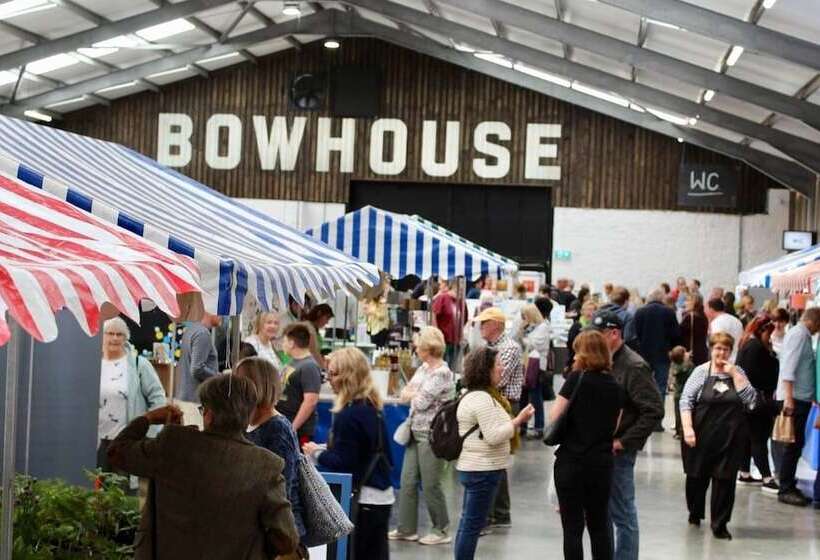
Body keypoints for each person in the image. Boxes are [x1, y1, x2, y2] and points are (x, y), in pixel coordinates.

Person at [108, 375, 299, 559]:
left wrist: (148, 418)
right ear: (248, 416)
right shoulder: (266, 466)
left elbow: (117, 452)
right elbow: (286, 537)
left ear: (208, 414)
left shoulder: (173, 445)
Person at [303, 348, 394, 560]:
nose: (329, 380)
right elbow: (363, 449)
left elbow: (344, 462)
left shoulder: (350, 415)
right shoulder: (370, 407)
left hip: (365, 501)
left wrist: (315, 453)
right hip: (380, 495)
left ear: (347, 376)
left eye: (333, 374)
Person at [591, 309, 662, 560]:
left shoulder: (634, 366)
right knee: (604, 512)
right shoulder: (603, 361)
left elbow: (653, 410)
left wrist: (624, 442)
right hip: (599, 450)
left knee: (623, 514)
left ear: (614, 334)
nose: (595, 340)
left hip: (618, 452)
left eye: (600, 334)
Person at [454, 347, 534, 560]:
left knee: (467, 523)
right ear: (486, 369)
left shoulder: (473, 396)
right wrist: (518, 421)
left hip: (475, 466)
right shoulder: (483, 399)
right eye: (498, 364)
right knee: (472, 525)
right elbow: (494, 436)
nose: (502, 367)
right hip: (483, 468)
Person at [552, 330, 623, 560]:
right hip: (601, 464)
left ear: (583, 354)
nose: (573, 358)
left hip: (571, 462)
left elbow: (555, 416)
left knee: (572, 528)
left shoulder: (575, 380)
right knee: (599, 526)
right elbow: (615, 426)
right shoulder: (616, 386)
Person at [680, 332, 757, 540]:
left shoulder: (738, 372)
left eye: (725, 349)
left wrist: (734, 374)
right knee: (696, 479)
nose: (721, 352)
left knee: (725, 482)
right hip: (701, 434)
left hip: (731, 436)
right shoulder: (700, 372)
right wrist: (688, 429)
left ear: (731, 352)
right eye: (717, 348)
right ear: (711, 349)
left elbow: (751, 402)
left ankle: (720, 524)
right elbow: (686, 401)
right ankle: (695, 513)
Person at [390, 327, 454, 545]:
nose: (416, 348)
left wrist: (411, 394)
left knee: (430, 484)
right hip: (414, 431)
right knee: (407, 481)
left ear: (428, 348)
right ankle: (406, 528)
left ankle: (441, 529)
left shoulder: (442, 373)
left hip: (432, 435)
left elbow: (419, 401)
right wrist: (412, 394)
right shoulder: (425, 369)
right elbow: (404, 393)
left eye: (419, 345)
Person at [236, 357, 306, 552]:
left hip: (279, 533)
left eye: (238, 381)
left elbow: (282, 486)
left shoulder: (277, 428)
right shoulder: (248, 423)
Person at [97, 317, 166, 473]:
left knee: (123, 492)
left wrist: (148, 432)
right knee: (95, 491)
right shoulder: (94, 363)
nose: (114, 338)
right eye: (110, 333)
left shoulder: (138, 364)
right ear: (103, 336)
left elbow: (158, 397)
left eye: (119, 334)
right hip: (98, 443)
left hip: (125, 443)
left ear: (125, 338)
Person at [476, 307, 523, 529]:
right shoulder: (490, 347)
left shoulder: (509, 348)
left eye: (484, 322)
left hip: (504, 404)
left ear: (496, 324)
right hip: (493, 402)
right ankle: (499, 511)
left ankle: (500, 511)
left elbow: (496, 379)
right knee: (494, 456)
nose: (480, 326)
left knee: (496, 455)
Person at [775, 307, 820, 506]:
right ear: (814, 321)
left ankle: (788, 483)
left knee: (795, 444)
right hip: (795, 400)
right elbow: (788, 368)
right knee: (792, 445)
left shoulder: (800, 334)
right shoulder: (799, 336)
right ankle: (785, 488)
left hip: (800, 398)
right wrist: (789, 399)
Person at [735, 315, 779, 493]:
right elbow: (760, 375)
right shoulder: (756, 348)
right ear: (763, 331)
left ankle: (744, 473)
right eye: (770, 333)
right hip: (757, 401)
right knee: (759, 439)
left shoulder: (747, 344)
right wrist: (774, 359)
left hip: (746, 401)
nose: (772, 337)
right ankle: (767, 478)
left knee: (748, 437)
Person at [633, 289, 681, 423]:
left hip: (643, 355)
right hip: (662, 355)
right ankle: (657, 421)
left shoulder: (640, 312)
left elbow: (635, 334)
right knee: (660, 387)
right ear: (662, 299)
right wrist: (671, 349)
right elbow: (676, 334)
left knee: (643, 386)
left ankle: (643, 417)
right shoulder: (668, 312)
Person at [276, 323, 322, 444]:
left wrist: (293, 428)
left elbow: (310, 401)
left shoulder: (309, 366)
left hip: (299, 431)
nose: (282, 345)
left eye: (284, 341)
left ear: (291, 343)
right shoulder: (294, 362)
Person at [177, 312, 221, 425]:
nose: (223, 317)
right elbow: (196, 368)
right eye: (221, 312)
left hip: (187, 397)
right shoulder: (202, 333)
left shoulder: (191, 330)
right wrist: (219, 377)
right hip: (196, 402)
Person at [519, 299, 553, 438]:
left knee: (535, 396)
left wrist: (523, 336)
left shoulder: (543, 327)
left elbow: (534, 344)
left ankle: (538, 426)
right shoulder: (536, 326)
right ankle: (524, 425)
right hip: (529, 364)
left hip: (536, 366)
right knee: (526, 396)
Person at [433, 278, 467, 370]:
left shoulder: (462, 302)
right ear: (454, 286)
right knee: (442, 367)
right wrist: (437, 334)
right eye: (459, 286)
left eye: (463, 286)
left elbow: (464, 319)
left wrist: (461, 334)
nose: (462, 289)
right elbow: (434, 315)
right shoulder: (443, 298)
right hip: (444, 340)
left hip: (456, 341)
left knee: (453, 369)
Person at [705, 298, 743, 362]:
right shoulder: (736, 320)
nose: (704, 311)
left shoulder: (717, 322)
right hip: (737, 358)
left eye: (705, 309)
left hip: (723, 360)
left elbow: (716, 342)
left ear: (711, 310)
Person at [669, 346, 694, 439]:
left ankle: (677, 431)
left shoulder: (674, 365)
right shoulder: (688, 366)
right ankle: (682, 431)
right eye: (685, 352)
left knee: (677, 413)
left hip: (677, 394)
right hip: (685, 394)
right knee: (684, 412)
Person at [565, 300, 597, 372]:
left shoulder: (597, 327)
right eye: (588, 310)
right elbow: (570, 344)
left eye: (593, 310)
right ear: (582, 312)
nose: (590, 312)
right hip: (577, 359)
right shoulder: (576, 326)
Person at [679, 294, 709, 366]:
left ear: (694, 302)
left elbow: (680, 334)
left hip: (691, 353)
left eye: (688, 300)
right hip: (702, 352)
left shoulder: (690, 317)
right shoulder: (703, 315)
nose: (685, 303)